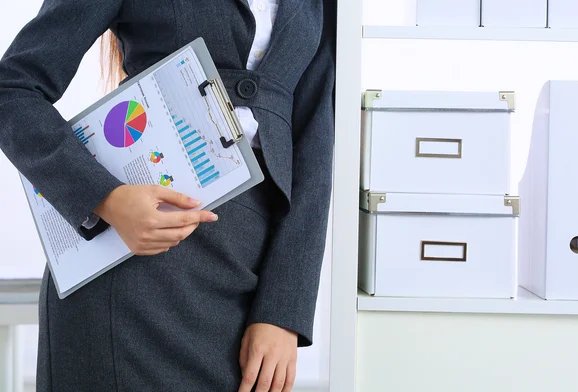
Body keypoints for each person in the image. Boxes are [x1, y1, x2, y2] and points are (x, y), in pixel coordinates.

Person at [0, 0, 336, 390]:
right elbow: (13, 89)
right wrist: (105, 198)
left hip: (246, 275)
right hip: (127, 275)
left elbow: (316, 151)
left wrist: (284, 311)